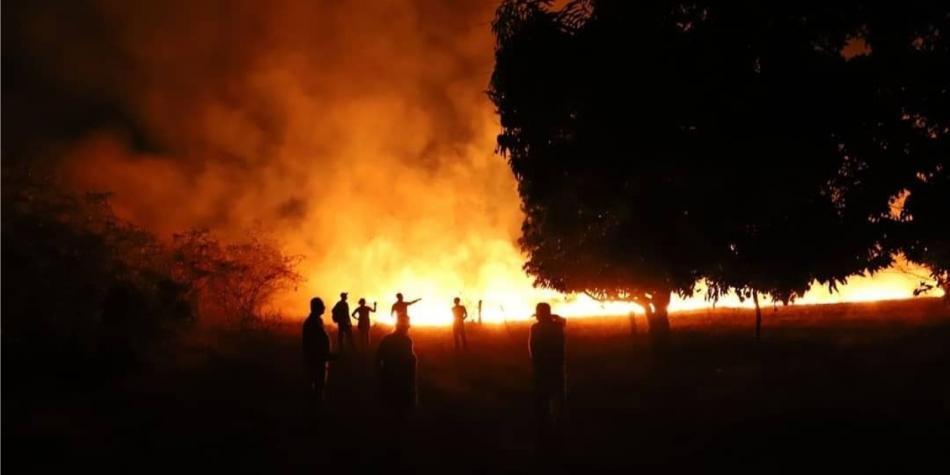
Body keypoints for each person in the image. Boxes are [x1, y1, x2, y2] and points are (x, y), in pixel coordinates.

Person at [529, 302, 566, 445]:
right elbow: (563, 321)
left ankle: (544, 427)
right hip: (557, 366)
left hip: (541, 367)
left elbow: (532, 348)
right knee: (558, 397)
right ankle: (558, 426)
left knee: (542, 397)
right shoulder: (558, 327)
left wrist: (535, 364)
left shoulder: (535, 328)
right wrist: (554, 317)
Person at [376, 315, 417, 423]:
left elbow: (378, 359)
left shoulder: (386, 339)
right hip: (400, 379)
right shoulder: (406, 340)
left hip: (388, 376)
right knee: (399, 410)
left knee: (389, 409)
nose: (408, 327)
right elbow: (409, 361)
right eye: (407, 325)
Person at [302, 297, 334, 409]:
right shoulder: (311, 323)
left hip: (321, 360)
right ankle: (314, 409)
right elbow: (312, 344)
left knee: (320, 386)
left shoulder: (318, 321)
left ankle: (317, 407)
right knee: (316, 385)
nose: (324, 308)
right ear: (316, 308)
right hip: (315, 360)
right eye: (322, 306)